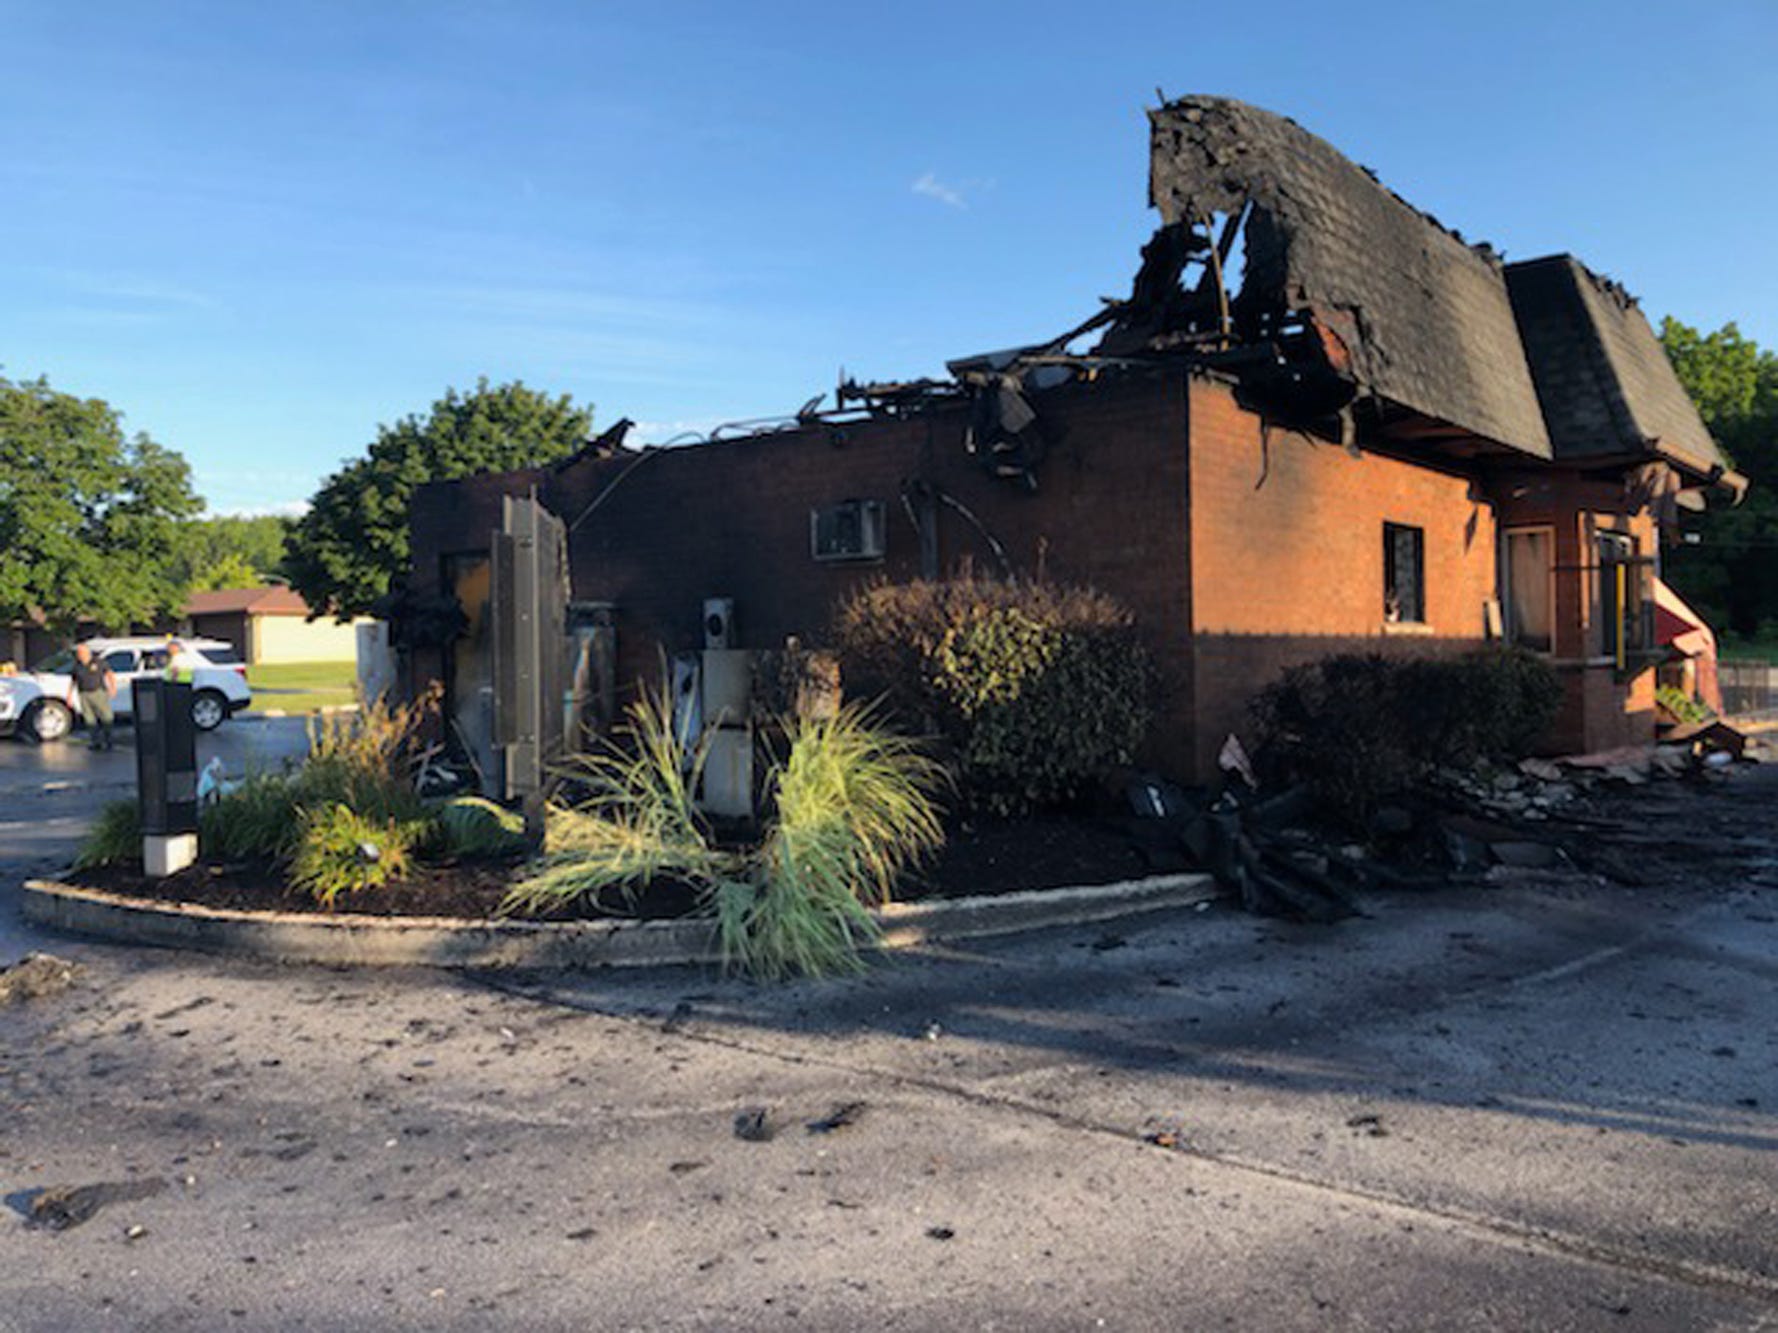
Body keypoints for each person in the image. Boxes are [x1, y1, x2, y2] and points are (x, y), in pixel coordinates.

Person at [71, 644, 118, 751]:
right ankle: (95, 742)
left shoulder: (98, 662)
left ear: (87, 652)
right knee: (89, 719)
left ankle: (108, 741)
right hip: (83, 694)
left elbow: (110, 674)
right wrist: (69, 694)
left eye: (81, 652)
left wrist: (112, 688)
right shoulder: (77, 665)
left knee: (106, 717)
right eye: (78, 653)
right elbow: (73, 680)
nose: (79, 655)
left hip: (98, 692)